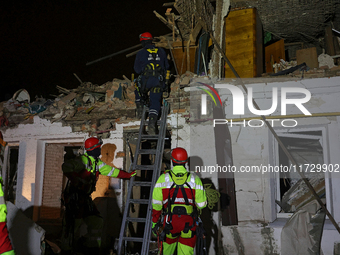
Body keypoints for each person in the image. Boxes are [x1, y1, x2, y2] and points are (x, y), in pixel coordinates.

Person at [60, 137, 136, 254]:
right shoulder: (82, 160)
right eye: (99, 148)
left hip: (85, 198)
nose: (100, 150)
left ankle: (93, 247)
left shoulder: (97, 163)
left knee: (96, 221)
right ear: (93, 149)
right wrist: (78, 179)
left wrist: (128, 175)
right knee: (73, 225)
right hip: (75, 199)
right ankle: (66, 250)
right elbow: (66, 167)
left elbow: (112, 171)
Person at [151, 147, 207, 255]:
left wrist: (154, 224)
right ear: (186, 162)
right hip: (189, 224)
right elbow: (201, 205)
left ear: (172, 161)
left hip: (169, 224)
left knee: (166, 252)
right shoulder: (195, 179)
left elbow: (157, 205)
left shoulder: (163, 179)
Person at [134, 32, 170, 134]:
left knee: (138, 89)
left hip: (146, 81)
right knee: (155, 100)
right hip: (159, 81)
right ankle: (152, 123)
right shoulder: (162, 51)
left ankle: (140, 112)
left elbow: (137, 70)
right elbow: (166, 66)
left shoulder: (141, 53)